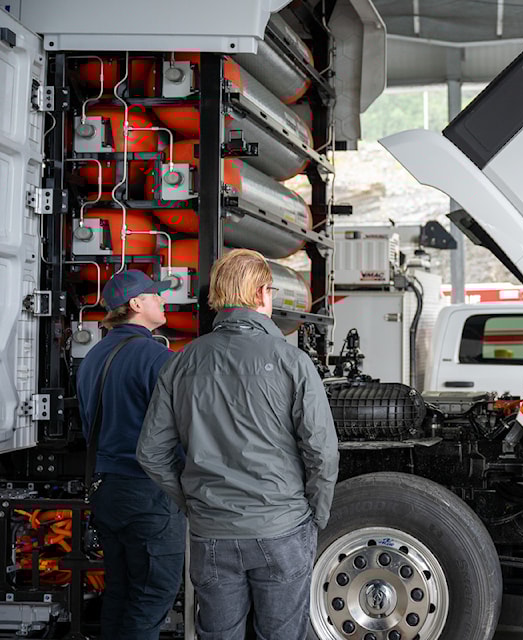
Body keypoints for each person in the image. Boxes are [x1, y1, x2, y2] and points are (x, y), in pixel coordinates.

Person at [137, 248, 339, 640]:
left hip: (212, 531)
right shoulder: (291, 360)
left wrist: (194, 502)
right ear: (262, 294)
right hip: (282, 527)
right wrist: (316, 514)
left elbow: (151, 452)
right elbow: (321, 451)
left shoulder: (182, 362)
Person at [75, 270, 184, 640]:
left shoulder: (93, 357)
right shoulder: (156, 357)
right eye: (156, 295)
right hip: (148, 495)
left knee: (119, 596)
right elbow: (181, 426)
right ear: (137, 304)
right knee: (152, 596)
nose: (162, 301)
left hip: (107, 491)